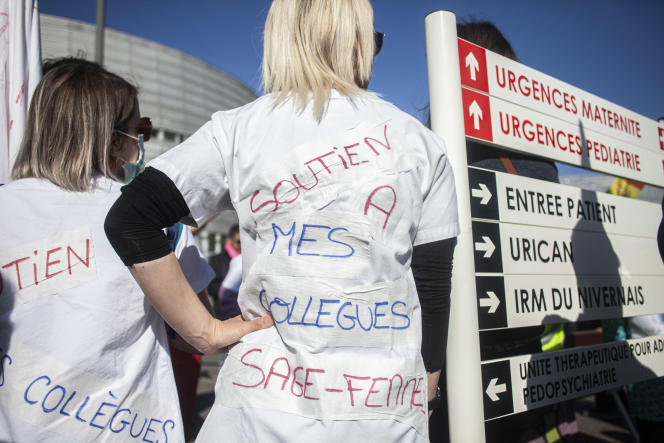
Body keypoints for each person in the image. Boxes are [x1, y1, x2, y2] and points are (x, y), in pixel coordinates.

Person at [105, 0, 458, 441]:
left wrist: (205, 333)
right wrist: (426, 387)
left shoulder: (238, 130)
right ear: (356, 43)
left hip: (259, 412)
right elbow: (432, 278)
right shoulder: (421, 144)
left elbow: (130, 218)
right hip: (380, 413)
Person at [0, 58, 262, 442]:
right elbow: (195, 331)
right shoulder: (151, 219)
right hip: (125, 429)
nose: (143, 140)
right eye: (140, 128)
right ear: (112, 136)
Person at [206, 223, 241, 318]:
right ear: (230, 240)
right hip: (222, 314)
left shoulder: (247, 260)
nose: (242, 246)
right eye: (239, 242)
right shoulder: (216, 260)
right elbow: (210, 287)